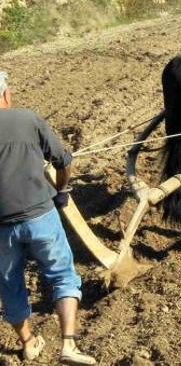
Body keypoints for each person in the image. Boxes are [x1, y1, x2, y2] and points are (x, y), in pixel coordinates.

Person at [0, 71, 95, 364]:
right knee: (63, 276)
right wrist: (61, 190)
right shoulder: (27, 118)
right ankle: (68, 345)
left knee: (10, 285)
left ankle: (28, 343)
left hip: (1, 228)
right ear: (6, 94)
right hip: (41, 216)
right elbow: (64, 161)